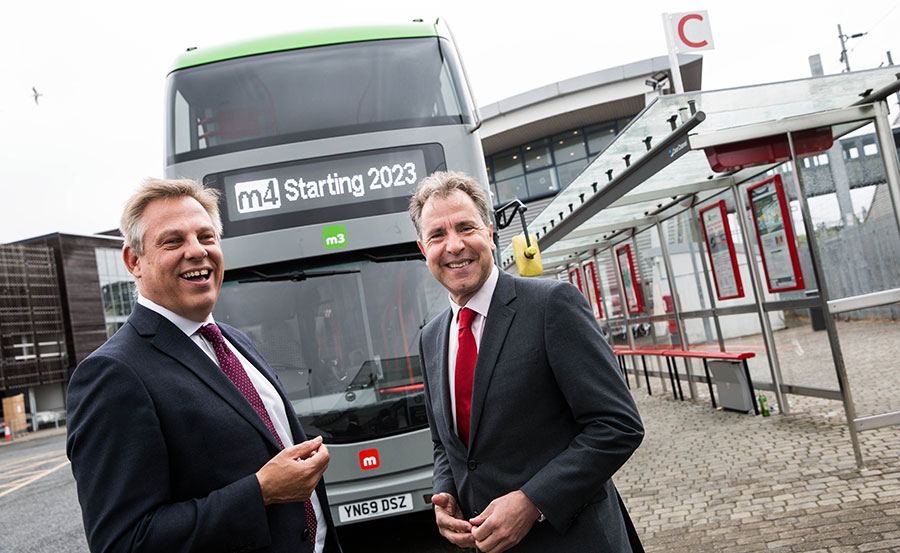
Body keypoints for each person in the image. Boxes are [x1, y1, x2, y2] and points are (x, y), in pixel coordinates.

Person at [66, 178, 342, 553]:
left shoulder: (233, 341)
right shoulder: (112, 375)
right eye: (173, 241)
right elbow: (124, 542)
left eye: (206, 237)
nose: (197, 251)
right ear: (134, 261)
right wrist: (259, 491)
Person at [409, 171, 645, 553]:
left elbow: (618, 425)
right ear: (424, 249)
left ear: (488, 232)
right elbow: (444, 444)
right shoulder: (431, 338)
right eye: (438, 235)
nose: (453, 245)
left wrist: (532, 502)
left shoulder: (553, 305)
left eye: (465, 228)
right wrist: (446, 491)